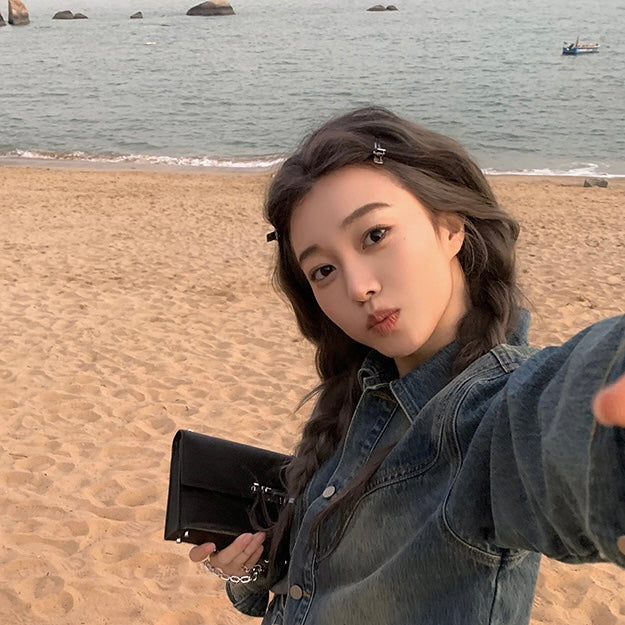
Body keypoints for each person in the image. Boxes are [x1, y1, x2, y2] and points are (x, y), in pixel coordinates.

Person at [189, 106, 625, 624]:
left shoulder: (488, 419)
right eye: (323, 270)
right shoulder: (359, 396)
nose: (358, 287)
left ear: (450, 227)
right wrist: (253, 570)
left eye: (374, 236)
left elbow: (572, 424)